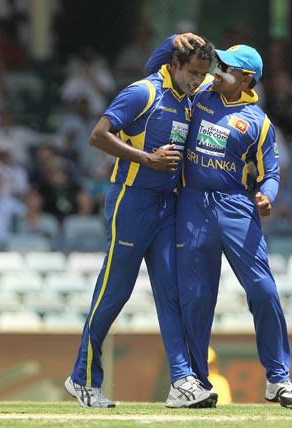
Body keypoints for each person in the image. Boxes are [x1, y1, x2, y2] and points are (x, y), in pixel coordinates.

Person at [145, 34, 292, 408]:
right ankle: (196, 383)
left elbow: (272, 173)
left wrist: (268, 195)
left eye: (226, 68)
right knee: (197, 298)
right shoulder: (197, 96)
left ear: (247, 78)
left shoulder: (258, 122)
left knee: (263, 290)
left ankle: (278, 379)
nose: (216, 72)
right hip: (192, 204)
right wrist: (173, 39)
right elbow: (156, 69)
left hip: (237, 208)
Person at [65, 35, 218, 408]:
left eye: (203, 74)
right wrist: (145, 159)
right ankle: (82, 378)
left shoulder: (187, 98)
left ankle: (182, 381)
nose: (198, 80)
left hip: (167, 206)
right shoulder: (143, 92)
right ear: (175, 64)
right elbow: (98, 136)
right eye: (193, 72)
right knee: (115, 291)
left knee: (172, 292)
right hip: (131, 201)